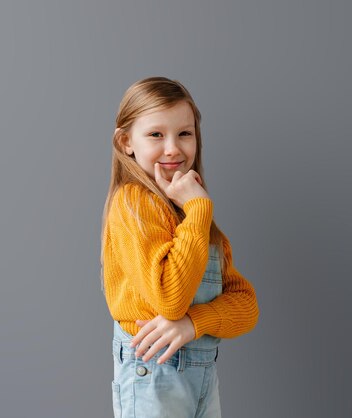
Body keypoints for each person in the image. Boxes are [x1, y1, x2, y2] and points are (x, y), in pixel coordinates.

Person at [101, 76, 259, 418]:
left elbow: (246, 307)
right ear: (126, 141)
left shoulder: (194, 218)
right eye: (156, 135)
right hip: (154, 378)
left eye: (184, 134)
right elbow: (169, 300)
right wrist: (199, 210)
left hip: (201, 378)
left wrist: (194, 324)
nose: (173, 147)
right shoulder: (135, 203)